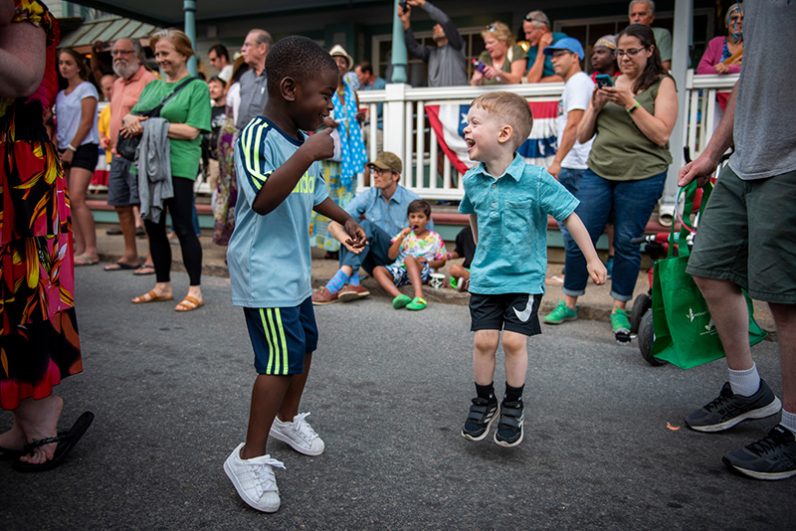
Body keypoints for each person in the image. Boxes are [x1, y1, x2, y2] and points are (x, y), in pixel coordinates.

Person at [223, 35, 366, 513]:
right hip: (261, 269)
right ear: (289, 88)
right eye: (324, 95)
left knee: (304, 344)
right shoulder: (257, 136)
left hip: (292, 270)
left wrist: (342, 216)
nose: (329, 105)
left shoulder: (300, 140)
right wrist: (307, 153)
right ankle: (249, 455)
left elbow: (312, 191)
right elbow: (263, 199)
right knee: (279, 360)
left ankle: (285, 420)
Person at [677, 1, 796, 481]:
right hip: (744, 158)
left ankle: (792, 428)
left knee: (786, 302)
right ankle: (748, 389)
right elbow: (754, 75)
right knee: (708, 269)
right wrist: (712, 151)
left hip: (789, 163)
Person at [458, 91, 606, 447]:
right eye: (466, 122)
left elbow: (570, 216)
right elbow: (473, 216)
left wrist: (592, 258)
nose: (466, 128)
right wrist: (478, 258)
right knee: (483, 341)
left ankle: (513, 403)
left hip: (524, 279)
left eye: (475, 123)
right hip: (486, 277)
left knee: (512, 341)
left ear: (504, 134)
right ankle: (483, 400)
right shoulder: (472, 180)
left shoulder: (536, 181)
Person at [0, 0, 93, 471]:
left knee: (19, 294)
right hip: (16, 170)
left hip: (16, 177)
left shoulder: (28, 12)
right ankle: (25, 414)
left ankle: (39, 413)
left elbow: (22, 77)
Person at [547, 24, 677, 342]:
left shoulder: (662, 84)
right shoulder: (610, 83)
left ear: (650, 51)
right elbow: (583, 135)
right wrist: (597, 106)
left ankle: (619, 306)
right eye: (620, 52)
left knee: (628, 242)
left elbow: (661, 134)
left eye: (632, 51)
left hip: (642, 174)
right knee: (582, 235)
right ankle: (569, 301)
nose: (625, 58)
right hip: (600, 170)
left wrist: (630, 102)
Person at [122, 29, 211, 312]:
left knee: (184, 227)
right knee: (153, 226)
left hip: (179, 165)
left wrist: (149, 125)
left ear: (183, 54)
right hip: (147, 165)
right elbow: (131, 115)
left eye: (165, 54)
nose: (160, 59)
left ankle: (195, 290)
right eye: (157, 54)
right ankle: (163, 285)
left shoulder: (197, 87)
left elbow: (192, 130)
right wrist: (129, 118)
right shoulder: (153, 87)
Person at [311, 151, 422, 304]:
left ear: (395, 176)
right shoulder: (369, 195)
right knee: (351, 228)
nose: (375, 175)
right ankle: (352, 281)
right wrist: (346, 241)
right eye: (374, 171)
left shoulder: (413, 201)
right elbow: (334, 224)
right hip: (372, 261)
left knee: (366, 227)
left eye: (380, 171)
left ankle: (339, 282)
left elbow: (427, 236)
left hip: (397, 260)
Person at [103, 38, 157, 272]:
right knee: (121, 205)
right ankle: (130, 255)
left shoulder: (150, 80)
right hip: (116, 153)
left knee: (144, 206)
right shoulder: (116, 83)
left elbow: (152, 116)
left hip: (139, 154)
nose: (117, 57)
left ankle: (154, 257)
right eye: (114, 53)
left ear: (137, 54)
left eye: (123, 52)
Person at [309, 44, 367, 256]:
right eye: (335, 60)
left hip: (349, 153)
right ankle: (328, 246)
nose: (339, 64)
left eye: (343, 61)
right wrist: (325, 120)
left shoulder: (351, 92)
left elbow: (355, 117)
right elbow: (311, 116)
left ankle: (343, 242)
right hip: (328, 150)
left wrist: (361, 118)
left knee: (347, 199)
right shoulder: (320, 89)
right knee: (327, 199)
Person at [55, 47, 100, 266]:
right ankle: (80, 247)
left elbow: (86, 121)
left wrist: (72, 147)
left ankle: (91, 250)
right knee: (69, 201)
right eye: (61, 63)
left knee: (77, 197)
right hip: (64, 147)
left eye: (68, 63)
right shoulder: (59, 94)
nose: (64, 67)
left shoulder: (87, 88)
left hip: (83, 146)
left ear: (78, 66)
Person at [373, 200, 446, 312]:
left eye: (420, 217)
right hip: (402, 271)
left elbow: (442, 261)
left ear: (427, 220)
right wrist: (401, 238)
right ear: (408, 219)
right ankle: (400, 296)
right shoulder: (405, 235)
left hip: (422, 270)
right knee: (377, 270)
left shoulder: (435, 238)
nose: (416, 220)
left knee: (409, 259)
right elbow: (391, 256)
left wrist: (428, 262)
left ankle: (419, 297)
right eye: (412, 217)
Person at [213, 59, 249, 246]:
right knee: (239, 195)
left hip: (228, 146)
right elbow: (238, 122)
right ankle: (237, 239)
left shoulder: (233, 89)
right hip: (236, 146)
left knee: (230, 193)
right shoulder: (240, 89)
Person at [399, 0, 468, 87]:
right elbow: (413, 47)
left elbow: (445, 21)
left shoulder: (457, 45)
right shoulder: (431, 53)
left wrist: (422, 3)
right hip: (435, 99)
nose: (435, 27)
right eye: (435, 26)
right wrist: (406, 22)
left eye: (439, 26)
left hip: (456, 99)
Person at [470, 22, 527, 86]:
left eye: (490, 43)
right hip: (489, 95)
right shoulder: (485, 56)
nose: (487, 46)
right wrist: (476, 80)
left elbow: (516, 80)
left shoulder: (516, 51)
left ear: (503, 41)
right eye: (486, 43)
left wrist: (499, 73)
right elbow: (474, 84)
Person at [236, 29, 272, 130]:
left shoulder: (277, 76)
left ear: (262, 48)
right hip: (243, 136)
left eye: (247, 45)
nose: (243, 49)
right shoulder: (244, 77)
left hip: (266, 136)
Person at [523, 10, 567, 83]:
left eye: (529, 33)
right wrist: (542, 50)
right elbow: (532, 81)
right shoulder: (533, 49)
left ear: (543, 29)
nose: (526, 37)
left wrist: (540, 81)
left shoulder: (561, 40)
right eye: (525, 33)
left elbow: (566, 76)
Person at [628, 0, 672, 71]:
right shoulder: (624, 37)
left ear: (651, 18)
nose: (636, 19)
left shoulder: (661, 34)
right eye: (633, 15)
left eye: (641, 14)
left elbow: (665, 66)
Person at [448, 225, 475, 292]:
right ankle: (470, 283)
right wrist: (451, 255)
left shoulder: (493, 231)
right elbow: (459, 252)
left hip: (486, 270)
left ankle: (469, 283)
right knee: (454, 269)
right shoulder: (466, 232)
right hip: (468, 270)